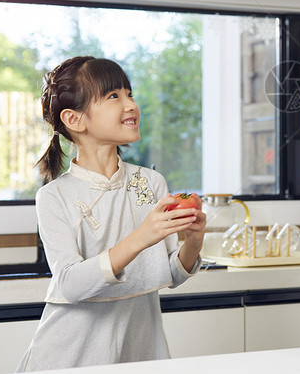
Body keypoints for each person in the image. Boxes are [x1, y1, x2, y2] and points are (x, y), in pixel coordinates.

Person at [17, 56, 206, 371]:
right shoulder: (54, 196)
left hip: (140, 351)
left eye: (129, 94)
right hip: (70, 356)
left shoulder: (150, 182)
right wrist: (141, 237)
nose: (130, 104)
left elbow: (170, 274)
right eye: (113, 96)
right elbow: (70, 284)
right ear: (75, 120)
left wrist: (194, 242)